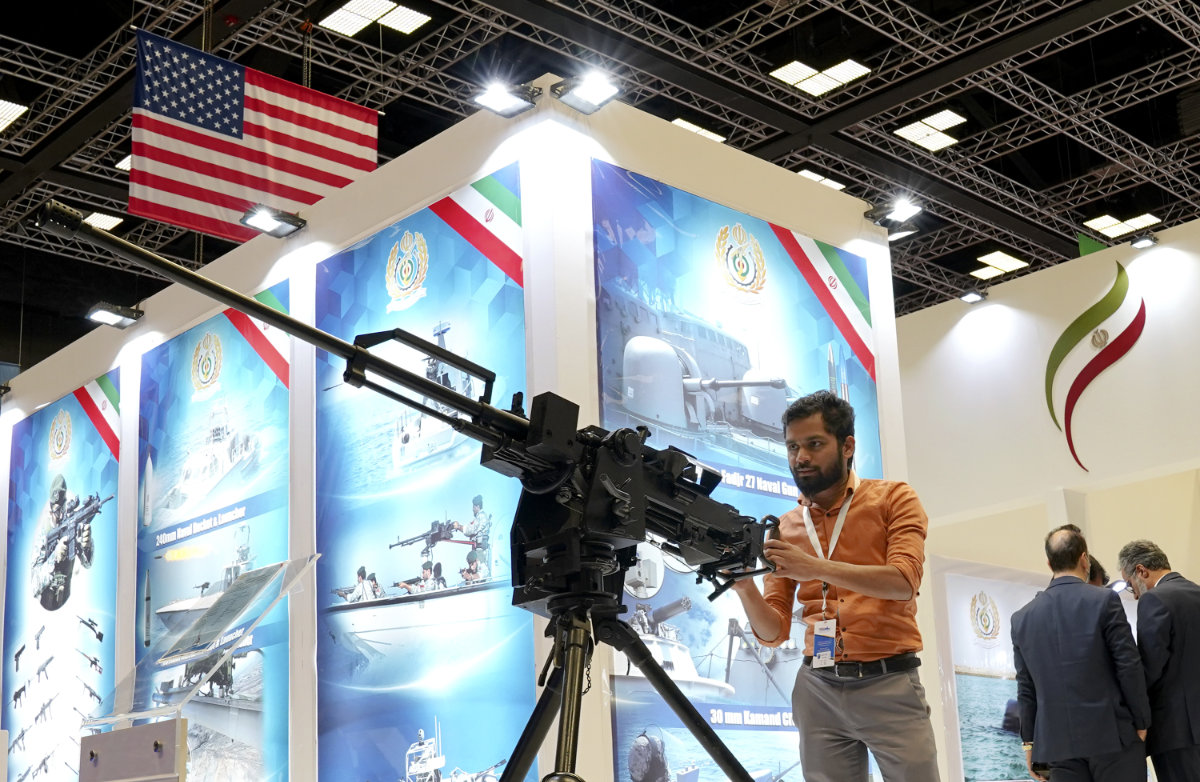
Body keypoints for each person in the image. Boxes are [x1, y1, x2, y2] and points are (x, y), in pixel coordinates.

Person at [730, 390, 939, 782]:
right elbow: (773, 633)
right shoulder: (786, 527)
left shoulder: (894, 499)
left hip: (889, 684)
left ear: (847, 447)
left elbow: (903, 581)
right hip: (818, 688)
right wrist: (743, 588)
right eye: (792, 446)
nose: (800, 457)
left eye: (814, 444)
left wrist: (815, 567)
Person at [1010, 525, 1149, 782]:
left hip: (1057, 746)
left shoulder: (1021, 619)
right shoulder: (1105, 601)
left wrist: (1029, 744)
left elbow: (1026, 688)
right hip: (1112, 736)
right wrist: (1141, 722)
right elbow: (1128, 665)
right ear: (1084, 559)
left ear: (1049, 563)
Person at [1116, 539, 1200, 782]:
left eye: (1131, 585)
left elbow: (1149, 668)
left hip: (1177, 733)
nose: (1134, 595)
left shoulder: (1156, 599)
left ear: (1142, 570)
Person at [31, 474, 94, 611]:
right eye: (57, 511)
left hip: (68, 604)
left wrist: (87, 546)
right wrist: (54, 557)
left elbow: (88, 564)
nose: (60, 515)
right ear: (50, 510)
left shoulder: (72, 523)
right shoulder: (44, 535)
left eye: (63, 509)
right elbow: (34, 585)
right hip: (46, 608)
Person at [453, 494, 491, 571]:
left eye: (473, 507)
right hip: (480, 548)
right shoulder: (481, 516)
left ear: (477, 506)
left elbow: (472, 529)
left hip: (480, 549)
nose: (472, 509)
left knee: (480, 570)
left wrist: (459, 527)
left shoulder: (481, 516)